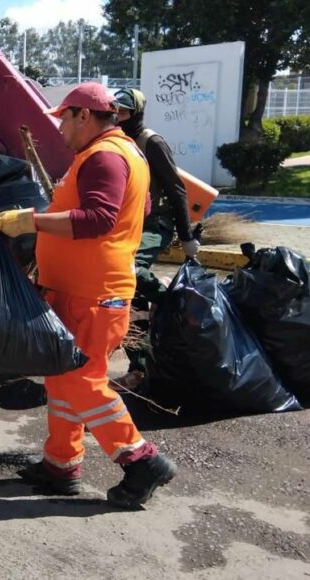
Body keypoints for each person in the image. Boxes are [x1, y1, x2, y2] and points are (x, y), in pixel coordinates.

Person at [0, 83, 177, 508]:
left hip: (92, 293)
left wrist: (32, 222)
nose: (59, 128)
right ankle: (60, 465)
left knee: (81, 381)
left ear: (84, 116)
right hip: (84, 287)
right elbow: (140, 208)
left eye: (64, 118)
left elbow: (98, 219)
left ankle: (141, 460)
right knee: (61, 376)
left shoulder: (105, 156)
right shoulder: (126, 152)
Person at [114, 88, 199, 385]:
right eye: (115, 111)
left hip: (155, 225)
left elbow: (176, 190)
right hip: (128, 224)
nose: (118, 117)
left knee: (130, 270)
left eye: (123, 112)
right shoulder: (115, 142)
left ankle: (172, 299)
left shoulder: (152, 143)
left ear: (136, 113)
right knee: (126, 293)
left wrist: (187, 236)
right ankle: (138, 367)